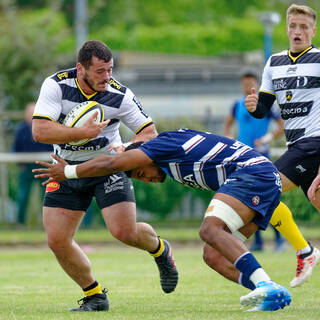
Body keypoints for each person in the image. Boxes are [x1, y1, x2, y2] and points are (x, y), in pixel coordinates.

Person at [33, 128, 292, 312]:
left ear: (142, 157)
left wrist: (69, 171)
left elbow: (113, 163)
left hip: (253, 172)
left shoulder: (158, 147)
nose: (145, 179)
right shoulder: (165, 152)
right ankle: (271, 291)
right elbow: (119, 157)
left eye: (138, 173)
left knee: (210, 229)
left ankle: (265, 284)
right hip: (265, 179)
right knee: (212, 256)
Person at [31, 40, 178, 312]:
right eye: (99, 71)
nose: (106, 77)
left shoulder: (120, 94)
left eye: (110, 69)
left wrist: (127, 147)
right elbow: (40, 131)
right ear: (80, 69)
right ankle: (94, 295)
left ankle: (160, 249)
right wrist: (82, 133)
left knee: (124, 231)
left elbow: (149, 133)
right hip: (64, 170)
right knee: (57, 240)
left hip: (106, 167)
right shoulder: (56, 85)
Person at [244, 3, 320, 287]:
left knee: (264, 186)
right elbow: (263, 108)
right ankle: (306, 251)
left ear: (313, 30)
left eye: (303, 27)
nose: (297, 31)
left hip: (314, 144)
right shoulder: (274, 62)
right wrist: (253, 107)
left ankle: (305, 251)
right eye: (293, 26)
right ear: (287, 29)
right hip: (296, 146)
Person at [224, 71, 286, 252]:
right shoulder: (237, 105)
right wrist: (229, 137)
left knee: (270, 198)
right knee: (248, 200)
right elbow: (227, 124)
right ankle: (257, 242)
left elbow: (281, 125)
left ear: (257, 84)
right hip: (242, 158)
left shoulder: (265, 105)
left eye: (250, 82)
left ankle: (279, 240)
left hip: (262, 158)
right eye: (244, 83)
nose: (246, 85)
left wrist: (267, 139)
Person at [13, 102, 53, 226]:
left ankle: (46, 223)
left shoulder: (45, 128)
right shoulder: (21, 130)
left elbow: (52, 146)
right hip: (26, 168)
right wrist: (20, 164)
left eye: (33, 113)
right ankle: (20, 223)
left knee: (46, 196)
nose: (31, 116)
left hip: (44, 167)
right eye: (29, 113)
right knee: (22, 196)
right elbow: (15, 148)